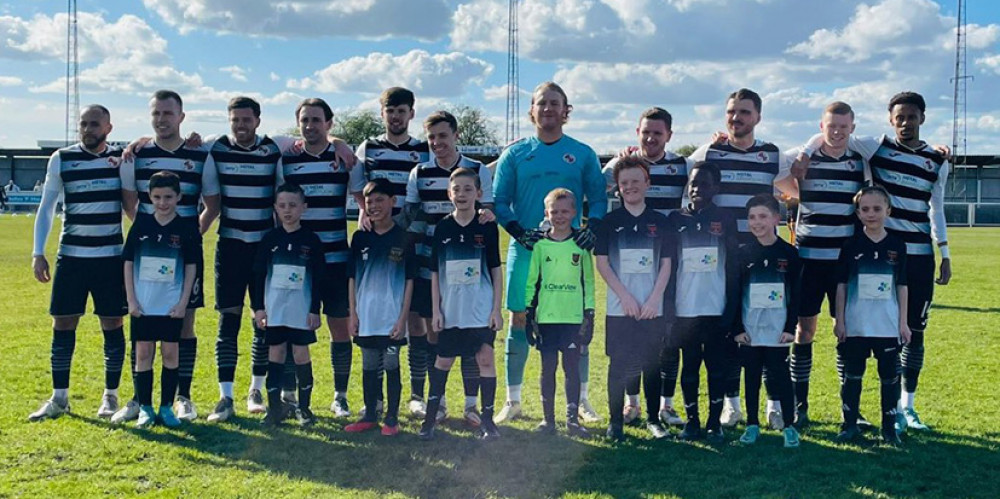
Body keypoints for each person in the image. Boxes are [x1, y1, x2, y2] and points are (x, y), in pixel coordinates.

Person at [800, 91, 950, 432]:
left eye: (912, 117)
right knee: (874, 327)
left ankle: (906, 408)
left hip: (920, 256)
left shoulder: (937, 160)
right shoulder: (876, 147)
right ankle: (855, 410)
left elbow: (936, 208)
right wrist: (809, 151)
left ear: (922, 118)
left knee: (914, 331)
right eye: (899, 117)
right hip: (881, 254)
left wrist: (945, 253)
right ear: (890, 119)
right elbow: (833, 131)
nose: (905, 122)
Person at [493, 81, 607, 424]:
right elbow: (499, 201)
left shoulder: (583, 153)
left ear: (566, 111)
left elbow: (598, 198)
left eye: (555, 103)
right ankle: (512, 400)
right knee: (519, 319)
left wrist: (592, 229)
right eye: (542, 103)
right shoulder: (514, 154)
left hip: (569, 252)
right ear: (532, 110)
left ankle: (582, 401)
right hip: (526, 251)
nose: (548, 109)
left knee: (577, 322)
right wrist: (518, 232)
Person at [689, 88, 800, 430]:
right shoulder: (711, 150)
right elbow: (684, 171)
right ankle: (732, 406)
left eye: (744, 112)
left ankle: (773, 406)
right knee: (731, 333)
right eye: (731, 112)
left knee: (767, 325)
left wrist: (802, 172)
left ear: (758, 117)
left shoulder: (771, 154)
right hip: (726, 258)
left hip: (764, 254)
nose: (736, 118)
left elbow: (794, 189)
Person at [115, 90, 220, 424]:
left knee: (184, 325)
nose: (162, 119)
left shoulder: (200, 154)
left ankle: (183, 398)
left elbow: (213, 203)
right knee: (142, 324)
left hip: (183, 255)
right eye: (156, 113)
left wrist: (188, 236)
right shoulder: (138, 152)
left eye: (168, 113)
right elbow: (129, 200)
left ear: (181, 116)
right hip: (147, 253)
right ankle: (139, 399)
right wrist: (153, 233)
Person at [28, 104, 127, 422]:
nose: (87, 129)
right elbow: (47, 206)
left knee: (112, 324)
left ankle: (110, 396)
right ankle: (59, 398)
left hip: (110, 258)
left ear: (108, 128)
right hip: (71, 257)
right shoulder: (62, 158)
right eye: (83, 124)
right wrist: (37, 251)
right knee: (63, 323)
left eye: (94, 124)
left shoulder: (122, 158)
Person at [405, 111, 496, 426]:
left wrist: (487, 214)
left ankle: (471, 406)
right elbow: (412, 219)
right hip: (432, 270)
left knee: (472, 338)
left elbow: (489, 212)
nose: (437, 143)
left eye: (442, 136)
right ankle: (437, 402)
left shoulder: (477, 170)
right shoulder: (420, 172)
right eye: (431, 138)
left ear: (456, 135)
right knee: (435, 336)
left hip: (472, 274)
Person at [603, 107, 689, 428]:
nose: (651, 138)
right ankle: (631, 404)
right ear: (636, 133)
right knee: (630, 341)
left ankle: (665, 405)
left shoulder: (684, 164)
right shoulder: (619, 164)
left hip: (668, 263)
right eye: (645, 132)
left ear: (669, 135)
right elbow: (597, 187)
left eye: (658, 132)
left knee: (667, 338)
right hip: (630, 268)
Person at [348, 87, 432, 418]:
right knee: (377, 313)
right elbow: (358, 188)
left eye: (401, 111)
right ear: (381, 113)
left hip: (411, 240)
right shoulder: (368, 148)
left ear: (411, 114)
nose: (395, 116)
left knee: (412, 318)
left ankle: (415, 394)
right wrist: (365, 214)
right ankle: (376, 402)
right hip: (375, 240)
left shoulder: (423, 150)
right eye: (389, 111)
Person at [788, 102, 868, 429]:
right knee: (804, 331)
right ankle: (798, 405)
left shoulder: (859, 162)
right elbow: (779, 173)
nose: (836, 132)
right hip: (807, 261)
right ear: (821, 126)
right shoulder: (803, 158)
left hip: (843, 266)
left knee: (846, 333)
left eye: (843, 127)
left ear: (852, 128)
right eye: (830, 126)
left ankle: (850, 410)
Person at [277, 98, 355, 418]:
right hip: (299, 262)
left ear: (329, 123)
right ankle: (290, 393)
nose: (310, 126)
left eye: (316, 120)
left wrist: (340, 144)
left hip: (336, 259)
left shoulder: (345, 159)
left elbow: (363, 199)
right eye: (304, 120)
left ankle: (340, 395)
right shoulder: (287, 159)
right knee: (293, 328)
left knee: (340, 327)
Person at [418, 167, 504, 441]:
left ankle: (488, 422)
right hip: (451, 312)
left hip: (480, 311)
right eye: (457, 190)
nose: (462, 194)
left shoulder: (487, 226)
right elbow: (434, 273)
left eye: (469, 189)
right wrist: (436, 310)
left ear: (479, 193)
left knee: (485, 360)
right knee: (443, 361)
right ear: (449, 194)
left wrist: (495, 309)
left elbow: (495, 270)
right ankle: (429, 421)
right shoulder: (442, 227)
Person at [595, 157, 673, 441]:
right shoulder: (608, 223)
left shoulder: (660, 222)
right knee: (618, 364)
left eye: (636, 182)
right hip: (620, 309)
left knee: (652, 363)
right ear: (617, 187)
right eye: (624, 183)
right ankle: (615, 423)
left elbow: (666, 264)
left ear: (647, 184)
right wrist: (625, 297)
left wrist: (654, 299)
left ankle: (654, 419)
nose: (630, 187)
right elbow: (602, 264)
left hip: (652, 308)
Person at [667, 162, 739, 444]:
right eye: (693, 183)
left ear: (716, 188)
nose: (697, 189)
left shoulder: (725, 219)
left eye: (705, 184)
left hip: (715, 308)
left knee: (716, 368)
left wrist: (730, 310)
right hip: (686, 309)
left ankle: (714, 422)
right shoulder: (676, 219)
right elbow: (670, 267)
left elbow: (732, 265)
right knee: (690, 367)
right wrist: (670, 307)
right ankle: (692, 421)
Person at [122, 171, 199, 428]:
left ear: (179, 197)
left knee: (170, 353)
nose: (163, 202)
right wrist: (131, 301)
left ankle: (166, 407)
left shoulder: (186, 228)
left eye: (168, 197)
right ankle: (145, 407)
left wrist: (183, 302)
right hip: (143, 305)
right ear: (149, 197)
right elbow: (128, 263)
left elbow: (191, 267)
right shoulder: (141, 225)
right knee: (143, 353)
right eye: (157, 197)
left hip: (170, 306)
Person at [834, 186, 910, 446]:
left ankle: (889, 429)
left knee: (889, 378)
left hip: (887, 326)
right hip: (856, 327)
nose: (871, 214)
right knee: (852, 376)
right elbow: (842, 285)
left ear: (888, 211)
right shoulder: (851, 245)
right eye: (865, 209)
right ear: (857, 213)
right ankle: (849, 425)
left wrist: (903, 323)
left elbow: (902, 286)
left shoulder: (897, 246)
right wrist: (840, 320)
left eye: (877, 209)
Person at [344, 179, 416, 436]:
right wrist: (353, 314)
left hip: (392, 318)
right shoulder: (360, 237)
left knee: (391, 364)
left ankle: (392, 418)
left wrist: (402, 318)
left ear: (393, 202)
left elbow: (409, 281)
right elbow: (352, 278)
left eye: (379, 200)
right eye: (369, 201)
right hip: (366, 317)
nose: (373, 206)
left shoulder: (404, 238)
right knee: (368, 364)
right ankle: (370, 415)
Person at [524, 188, 595, 438]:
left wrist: (590, 313)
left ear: (574, 212)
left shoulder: (581, 244)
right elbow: (533, 280)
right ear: (547, 213)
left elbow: (589, 280)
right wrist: (529, 313)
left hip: (573, 319)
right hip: (547, 319)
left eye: (565, 211)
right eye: (555, 211)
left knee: (572, 369)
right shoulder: (540, 245)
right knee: (548, 369)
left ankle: (572, 419)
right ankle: (548, 420)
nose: (560, 216)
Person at [252, 183, 325, 427]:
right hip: (275, 310)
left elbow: (319, 278)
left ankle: (304, 408)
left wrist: (315, 308)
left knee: (301, 354)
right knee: (276, 353)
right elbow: (257, 275)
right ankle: (274, 410)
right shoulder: (270, 239)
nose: (287, 210)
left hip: (301, 311)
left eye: (293, 205)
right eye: (282, 206)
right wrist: (258, 308)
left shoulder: (311, 240)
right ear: (275, 208)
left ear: (304, 207)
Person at [733, 194, 802, 448]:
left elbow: (796, 296)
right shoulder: (742, 253)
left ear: (776, 218)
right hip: (750, 331)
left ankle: (789, 426)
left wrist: (789, 327)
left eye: (763, 216)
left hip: (777, 332)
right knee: (751, 377)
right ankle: (752, 424)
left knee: (781, 376)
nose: (757, 222)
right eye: (752, 217)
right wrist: (738, 328)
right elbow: (735, 294)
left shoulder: (789, 254)